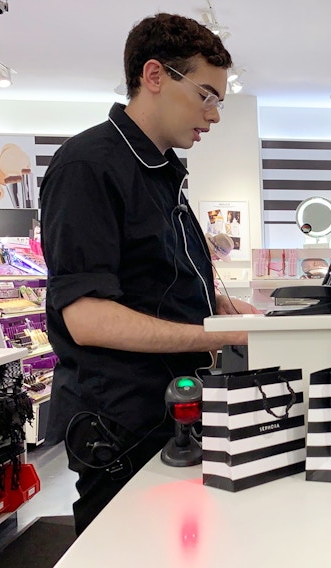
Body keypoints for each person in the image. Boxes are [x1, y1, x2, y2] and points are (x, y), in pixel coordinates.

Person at [40, 13, 260, 535]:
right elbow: (88, 319)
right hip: (122, 423)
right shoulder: (87, 166)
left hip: (173, 410)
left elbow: (159, 282)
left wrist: (221, 307)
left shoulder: (163, 172)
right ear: (155, 76)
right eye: (207, 96)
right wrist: (219, 334)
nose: (214, 115)